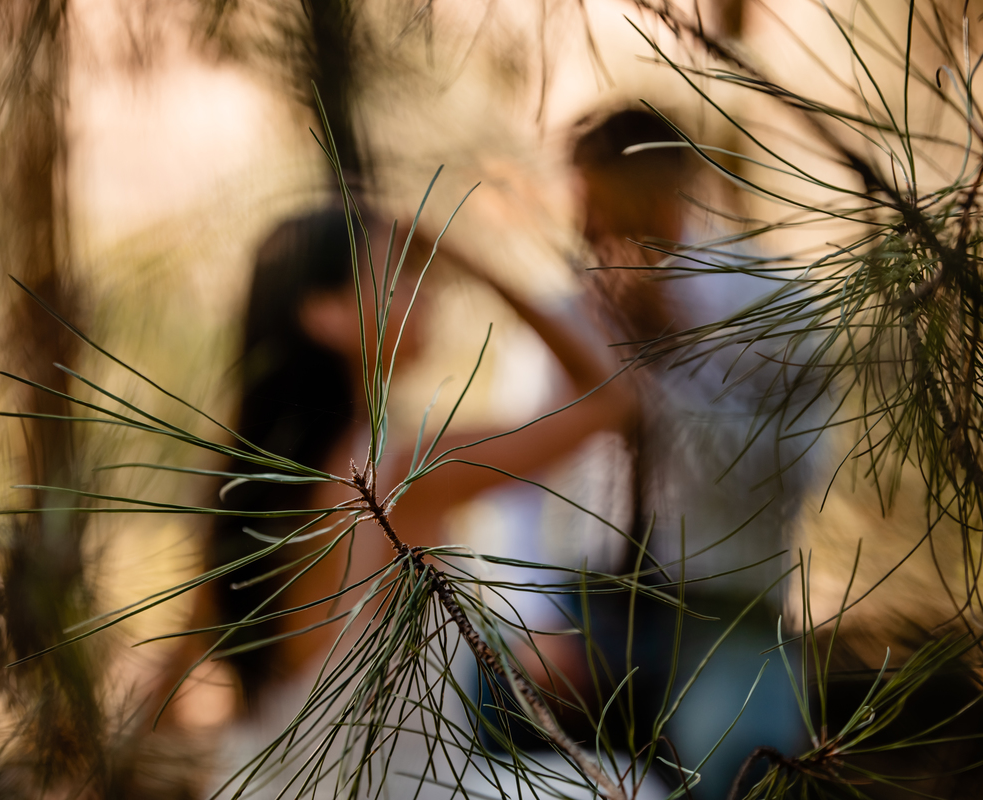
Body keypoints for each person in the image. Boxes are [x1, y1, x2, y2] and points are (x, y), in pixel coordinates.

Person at [144, 204, 639, 798]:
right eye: (400, 272)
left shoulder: (250, 485)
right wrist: (478, 263)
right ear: (326, 313)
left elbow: (169, 689)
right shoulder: (398, 473)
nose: (427, 287)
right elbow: (611, 400)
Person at [565, 105, 828, 798]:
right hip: (588, 601)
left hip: (728, 609)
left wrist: (674, 363)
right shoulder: (572, 309)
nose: (586, 232)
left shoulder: (774, 302)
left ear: (665, 192)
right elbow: (529, 478)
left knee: (732, 761)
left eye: (600, 207)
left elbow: (792, 480)